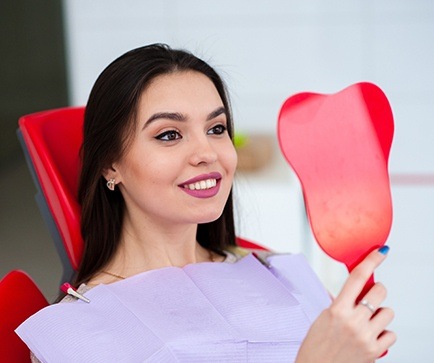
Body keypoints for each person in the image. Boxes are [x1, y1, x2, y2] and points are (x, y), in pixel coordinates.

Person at [18, 43, 396, 362]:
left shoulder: (278, 271)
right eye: (169, 135)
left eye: (216, 129)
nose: (207, 153)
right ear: (109, 164)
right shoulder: (71, 334)